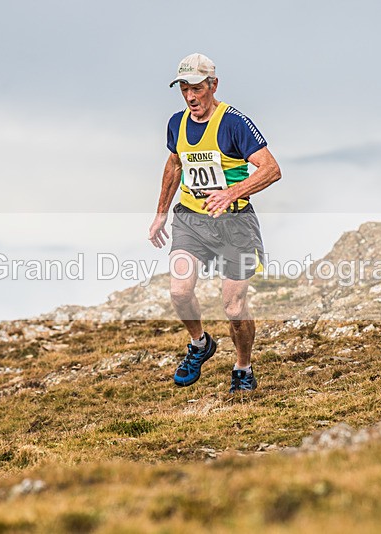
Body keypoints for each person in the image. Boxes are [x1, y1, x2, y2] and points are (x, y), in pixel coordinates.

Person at [148, 52, 282, 393]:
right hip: (191, 219)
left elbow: (271, 169)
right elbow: (175, 164)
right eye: (184, 89)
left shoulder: (234, 123)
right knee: (179, 291)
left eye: (197, 88)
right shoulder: (176, 123)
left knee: (234, 307)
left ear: (213, 85)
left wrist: (229, 193)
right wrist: (161, 212)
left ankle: (243, 366)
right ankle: (200, 344)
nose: (191, 97)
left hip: (234, 223)